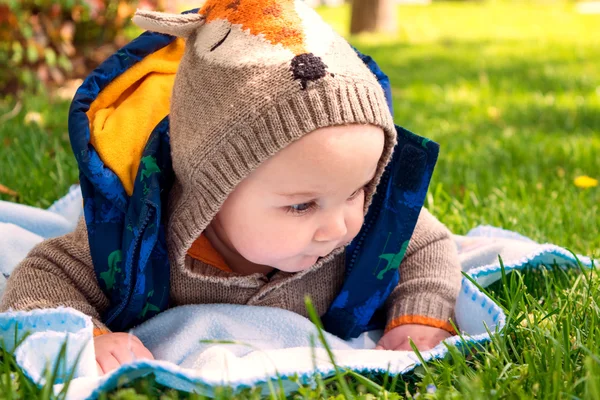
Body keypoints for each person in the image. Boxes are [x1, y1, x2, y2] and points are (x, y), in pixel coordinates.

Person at [1, 0, 461, 375]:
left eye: (358, 189)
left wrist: (419, 312)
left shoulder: (365, 219)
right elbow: (44, 277)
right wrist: (89, 338)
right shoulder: (136, 236)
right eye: (302, 206)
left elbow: (429, 244)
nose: (341, 225)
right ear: (209, 195)